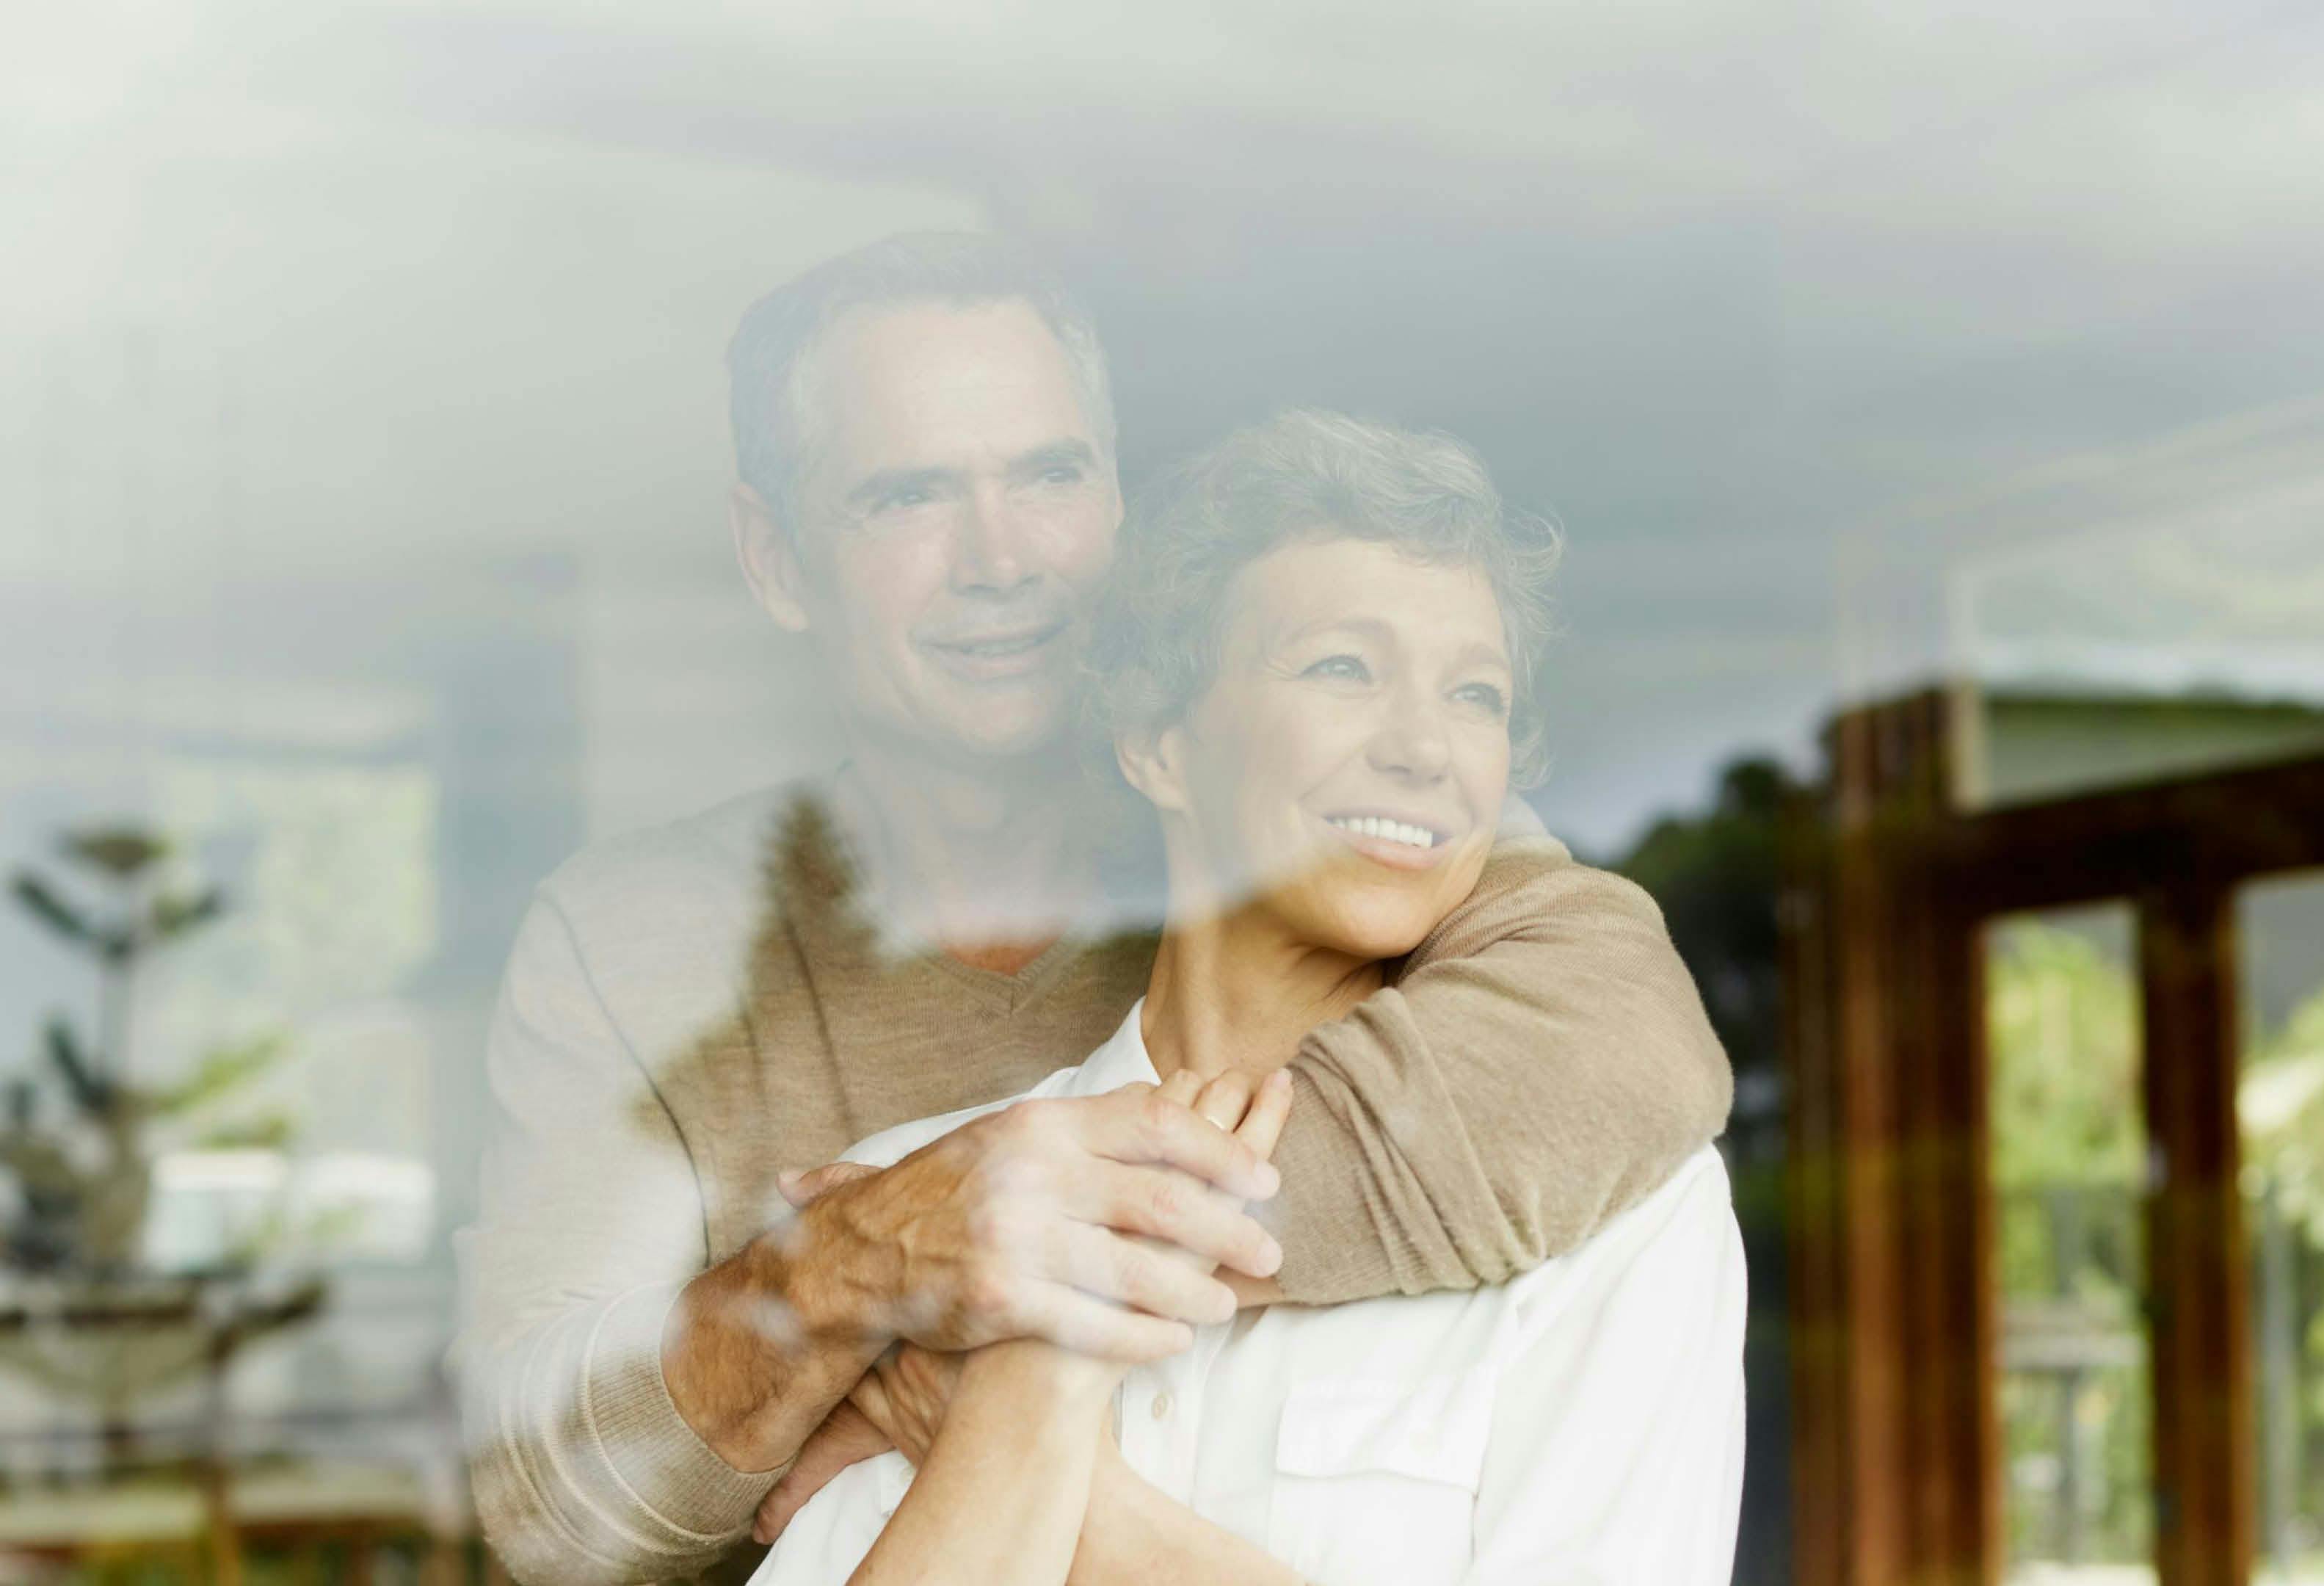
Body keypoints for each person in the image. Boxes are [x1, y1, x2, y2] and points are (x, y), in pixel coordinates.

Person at [454, 233, 1734, 1585]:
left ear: (1118, 506)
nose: (1001, 558)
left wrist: (1052, 1287)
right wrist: (845, 1276)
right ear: (775, 559)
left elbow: (1634, 1043)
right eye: (908, 497)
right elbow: (553, 1513)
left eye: (1051, 477)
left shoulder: (1337, 809)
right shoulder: (667, 971)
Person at [753, 409, 1746, 1585]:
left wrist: (1039, 1409)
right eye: (1344, 668)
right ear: (1156, 743)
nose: (1429, 749)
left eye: (1475, 695)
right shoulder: (928, 1203)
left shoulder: (1616, 1216)